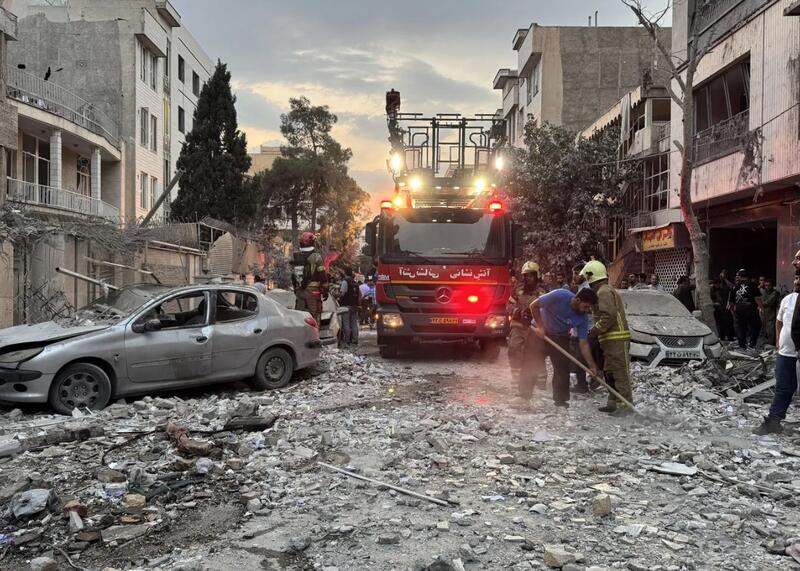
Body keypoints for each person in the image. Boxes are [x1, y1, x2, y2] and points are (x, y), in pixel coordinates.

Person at [529, 287, 600, 408]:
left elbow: (583, 343)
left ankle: (561, 401)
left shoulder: (582, 318)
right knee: (531, 363)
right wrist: (540, 327)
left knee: (562, 368)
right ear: (577, 300)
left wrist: (592, 365)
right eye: (586, 306)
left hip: (560, 336)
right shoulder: (559, 295)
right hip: (540, 331)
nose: (587, 310)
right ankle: (523, 396)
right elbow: (533, 306)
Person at [582, 260, 634, 416]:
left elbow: (608, 315)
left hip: (616, 339)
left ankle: (625, 406)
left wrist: (594, 330)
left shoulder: (603, 292)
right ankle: (613, 403)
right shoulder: (603, 291)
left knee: (619, 373)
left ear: (591, 277)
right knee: (609, 372)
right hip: (609, 340)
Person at [753, 274, 800, 435]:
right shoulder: (788, 300)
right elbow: (779, 321)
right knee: (783, 387)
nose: (796, 282)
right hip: (786, 353)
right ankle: (773, 422)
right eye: (795, 278)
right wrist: (779, 342)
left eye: (799, 279)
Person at [507, 261, 548, 398]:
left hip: (536, 327)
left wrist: (536, 315)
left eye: (531, 275)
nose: (528, 278)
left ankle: (541, 380)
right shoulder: (517, 289)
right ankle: (516, 379)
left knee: (537, 353)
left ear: (537, 276)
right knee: (513, 348)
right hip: (519, 325)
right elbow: (509, 305)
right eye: (526, 275)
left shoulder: (544, 292)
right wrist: (518, 312)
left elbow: (549, 309)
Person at [291, 232, 328, 326]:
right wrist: (325, 288)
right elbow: (322, 274)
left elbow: (293, 275)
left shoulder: (296, 256)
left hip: (299, 291)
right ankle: (314, 333)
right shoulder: (316, 257)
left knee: (299, 316)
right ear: (312, 242)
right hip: (313, 291)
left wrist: (296, 288)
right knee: (314, 316)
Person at [728, 268, 763, 350]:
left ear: (739, 276)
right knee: (756, 326)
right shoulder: (752, 284)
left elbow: (731, 302)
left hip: (739, 310)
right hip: (751, 309)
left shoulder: (735, 286)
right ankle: (752, 343)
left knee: (740, 328)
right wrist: (762, 308)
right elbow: (757, 298)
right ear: (747, 276)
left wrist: (733, 311)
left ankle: (742, 345)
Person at [338, 267, 360, 346]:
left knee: (346, 323)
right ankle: (355, 340)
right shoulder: (355, 282)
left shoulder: (345, 282)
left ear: (345, 272)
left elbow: (342, 293)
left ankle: (347, 340)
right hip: (354, 305)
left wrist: (337, 294)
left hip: (346, 305)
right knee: (354, 323)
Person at [761, 278, 781, 346]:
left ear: (772, 285)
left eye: (769, 285)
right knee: (766, 330)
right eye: (766, 285)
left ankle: (771, 344)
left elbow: (768, 302)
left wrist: (760, 303)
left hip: (772, 314)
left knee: (771, 330)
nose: (767, 287)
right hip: (765, 314)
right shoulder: (764, 292)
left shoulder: (774, 293)